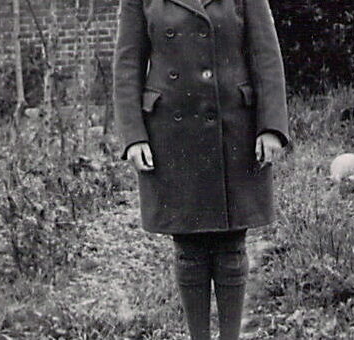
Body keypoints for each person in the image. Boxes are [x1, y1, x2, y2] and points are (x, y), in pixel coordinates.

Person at [112, 0, 289, 338]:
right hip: (172, 131)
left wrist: (271, 126)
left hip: (234, 126)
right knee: (188, 245)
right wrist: (133, 135)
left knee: (232, 241)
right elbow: (127, 64)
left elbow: (265, 54)